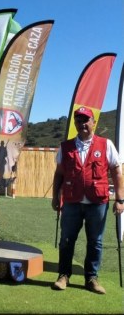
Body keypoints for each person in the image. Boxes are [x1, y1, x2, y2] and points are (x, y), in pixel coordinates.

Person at [51, 106, 124, 294]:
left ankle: (91, 278)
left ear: (93, 122)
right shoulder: (65, 146)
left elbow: (117, 171)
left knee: (95, 241)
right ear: (75, 123)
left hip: (97, 203)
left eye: (86, 120)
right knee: (66, 240)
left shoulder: (106, 144)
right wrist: (55, 196)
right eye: (79, 120)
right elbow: (59, 174)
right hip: (71, 202)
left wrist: (120, 199)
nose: (82, 123)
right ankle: (63, 275)